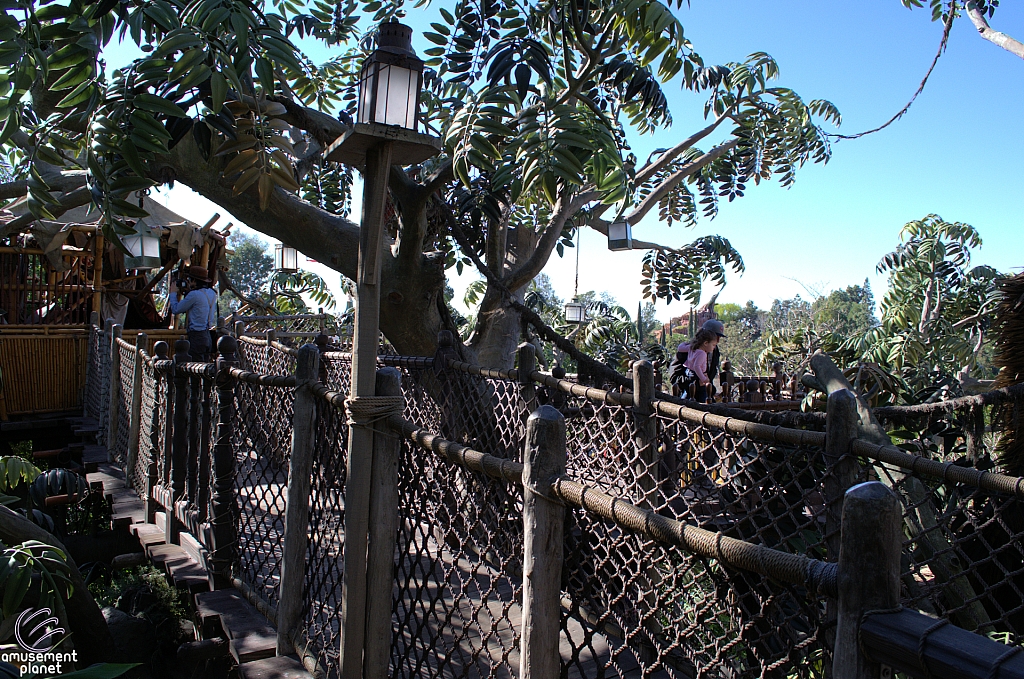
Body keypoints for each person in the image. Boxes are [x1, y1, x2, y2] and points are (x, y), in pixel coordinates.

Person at [168, 266, 218, 362]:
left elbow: (176, 309)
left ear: (194, 281)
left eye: (189, 280)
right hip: (208, 336)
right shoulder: (212, 293)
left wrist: (173, 293)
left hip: (196, 336)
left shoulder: (194, 295)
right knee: (205, 368)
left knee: (195, 367)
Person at [668, 319, 727, 397]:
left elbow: (709, 377)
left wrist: (711, 391)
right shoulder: (689, 350)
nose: (718, 341)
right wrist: (695, 383)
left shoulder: (715, 352)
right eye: (716, 336)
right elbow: (674, 377)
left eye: (719, 337)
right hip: (687, 395)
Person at [683, 328, 718, 403]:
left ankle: (683, 400)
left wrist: (685, 343)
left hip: (689, 372)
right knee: (702, 392)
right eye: (713, 345)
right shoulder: (702, 353)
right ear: (706, 343)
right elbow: (697, 366)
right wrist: (703, 379)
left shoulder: (692, 349)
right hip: (696, 375)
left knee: (689, 391)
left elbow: (680, 348)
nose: (714, 347)